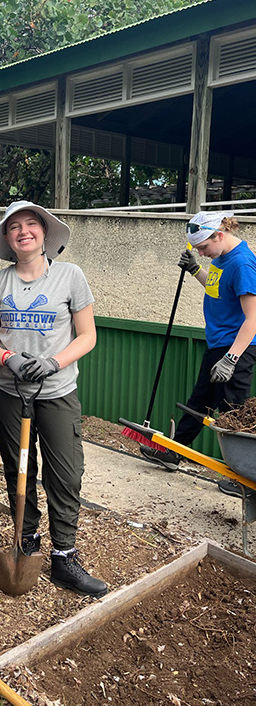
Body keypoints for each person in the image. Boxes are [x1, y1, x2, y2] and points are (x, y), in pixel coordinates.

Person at [0, 200, 107, 598]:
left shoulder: (70, 276)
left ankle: (64, 556)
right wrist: (9, 358)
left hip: (56, 393)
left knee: (65, 474)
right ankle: (26, 541)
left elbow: (87, 335)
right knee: (19, 469)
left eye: (31, 224)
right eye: (14, 226)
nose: (23, 231)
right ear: (6, 237)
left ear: (44, 233)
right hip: (7, 391)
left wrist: (53, 361)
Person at [140, 211, 256, 497]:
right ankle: (174, 452)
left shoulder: (242, 263)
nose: (201, 253)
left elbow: (253, 318)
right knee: (199, 402)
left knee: (233, 414)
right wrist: (195, 270)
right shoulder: (220, 259)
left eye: (203, 247)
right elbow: (217, 290)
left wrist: (232, 359)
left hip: (236, 349)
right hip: (218, 344)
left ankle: (245, 481)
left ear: (219, 234)